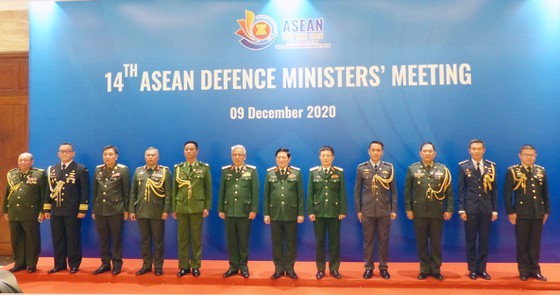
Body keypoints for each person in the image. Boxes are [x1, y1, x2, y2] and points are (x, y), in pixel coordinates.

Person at [404, 142, 453, 281]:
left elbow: (449, 192)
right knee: (422, 242)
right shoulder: (412, 169)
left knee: (436, 242)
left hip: (437, 212)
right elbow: (407, 191)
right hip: (419, 212)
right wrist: (408, 209)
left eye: (430, 151)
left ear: (434, 153)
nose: (427, 153)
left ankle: (436, 269)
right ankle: (424, 269)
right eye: (425, 151)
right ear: (420, 153)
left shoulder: (443, 170)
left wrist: (449, 209)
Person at [504, 144, 550, 281]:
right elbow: (507, 194)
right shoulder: (513, 171)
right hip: (521, 213)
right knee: (522, 243)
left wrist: (546, 210)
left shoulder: (541, 171)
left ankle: (535, 270)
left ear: (535, 156)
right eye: (526, 154)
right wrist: (510, 212)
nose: (529, 157)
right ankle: (523, 270)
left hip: (538, 213)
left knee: (535, 243)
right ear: (520, 156)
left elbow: (545, 193)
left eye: (532, 155)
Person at [43, 143, 90, 274]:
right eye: (62, 152)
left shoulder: (80, 169)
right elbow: (49, 190)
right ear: (58, 154)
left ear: (73, 153)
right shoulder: (53, 169)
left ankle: (74, 264)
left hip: (72, 211)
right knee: (57, 238)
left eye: (68, 151)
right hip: (56, 210)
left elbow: (85, 191)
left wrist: (82, 209)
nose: (65, 154)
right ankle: (59, 264)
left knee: (73, 238)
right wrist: (47, 209)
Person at [354, 141, 397, 279]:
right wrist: (359, 210)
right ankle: (369, 268)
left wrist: (393, 209)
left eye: (378, 150)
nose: (376, 152)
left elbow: (394, 191)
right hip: (367, 210)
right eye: (373, 150)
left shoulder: (388, 168)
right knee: (368, 241)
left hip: (384, 210)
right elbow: (357, 191)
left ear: (382, 152)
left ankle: (383, 268)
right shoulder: (362, 168)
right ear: (369, 151)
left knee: (384, 240)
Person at [457, 139, 497, 280]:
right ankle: (472, 269)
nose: (476, 151)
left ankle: (482, 269)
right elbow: (461, 190)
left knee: (484, 240)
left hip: (486, 208)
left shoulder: (490, 166)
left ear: (484, 150)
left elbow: (494, 190)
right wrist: (461, 209)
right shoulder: (463, 167)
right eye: (474, 148)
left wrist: (494, 209)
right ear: (469, 151)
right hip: (470, 208)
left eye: (479, 148)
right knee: (471, 239)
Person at [218, 145, 259, 279]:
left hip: (244, 211)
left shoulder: (251, 171)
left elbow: (255, 192)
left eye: (240, 155)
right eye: (234, 155)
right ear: (231, 156)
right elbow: (222, 191)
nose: (237, 157)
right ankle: (233, 267)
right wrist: (221, 209)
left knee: (243, 241)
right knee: (231, 240)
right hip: (229, 211)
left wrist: (253, 210)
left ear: (244, 157)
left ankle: (243, 266)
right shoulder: (226, 171)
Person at [129, 147, 172, 276]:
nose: (150, 157)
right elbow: (133, 193)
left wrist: (166, 210)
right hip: (141, 211)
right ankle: (146, 265)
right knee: (145, 240)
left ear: (157, 157)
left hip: (157, 212)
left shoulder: (164, 171)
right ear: (144, 157)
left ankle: (158, 266)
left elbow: (169, 193)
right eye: (148, 155)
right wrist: (132, 210)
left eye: (153, 155)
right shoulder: (138, 171)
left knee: (158, 241)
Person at [172, 141, 212, 278]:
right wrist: (174, 207)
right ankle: (183, 266)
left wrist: (207, 207)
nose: (189, 151)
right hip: (181, 207)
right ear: (184, 152)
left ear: (197, 151)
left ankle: (195, 266)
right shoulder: (178, 168)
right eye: (186, 149)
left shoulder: (204, 168)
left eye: (192, 149)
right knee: (182, 239)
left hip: (197, 207)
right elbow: (174, 189)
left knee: (196, 239)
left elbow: (208, 189)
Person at [263, 148, 304, 280]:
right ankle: (279, 269)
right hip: (275, 214)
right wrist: (266, 214)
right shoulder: (270, 174)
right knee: (277, 243)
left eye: (284, 157)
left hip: (291, 214)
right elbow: (266, 195)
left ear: (289, 159)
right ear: (276, 159)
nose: (281, 160)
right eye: (279, 157)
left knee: (291, 243)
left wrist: (300, 213)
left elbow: (300, 195)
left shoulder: (296, 173)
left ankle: (290, 268)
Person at [308, 146, 347, 280]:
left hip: (334, 213)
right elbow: (310, 194)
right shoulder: (314, 173)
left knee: (334, 242)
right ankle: (320, 269)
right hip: (318, 213)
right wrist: (311, 211)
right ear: (319, 157)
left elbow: (342, 193)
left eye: (328, 155)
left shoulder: (339, 173)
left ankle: (334, 269)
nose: (325, 157)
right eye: (323, 155)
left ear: (333, 157)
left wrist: (342, 210)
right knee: (319, 242)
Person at [3, 152, 46, 273]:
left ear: (32, 162)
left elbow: (43, 194)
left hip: (30, 212)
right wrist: (5, 210)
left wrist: (44, 211)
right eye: (20, 160)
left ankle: (31, 264)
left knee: (32, 239)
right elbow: (7, 194)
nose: (22, 162)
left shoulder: (39, 175)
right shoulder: (12, 174)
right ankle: (19, 263)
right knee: (16, 239)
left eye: (26, 160)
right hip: (14, 212)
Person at [91, 145, 130, 275]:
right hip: (100, 210)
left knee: (116, 238)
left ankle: (117, 264)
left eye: (110, 154)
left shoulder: (123, 170)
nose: (107, 157)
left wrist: (126, 210)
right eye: (105, 155)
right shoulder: (98, 170)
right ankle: (105, 263)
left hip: (116, 209)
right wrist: (94, 210)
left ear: (116, 156)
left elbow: (126, 191)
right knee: (103, 238)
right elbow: (95, 191)